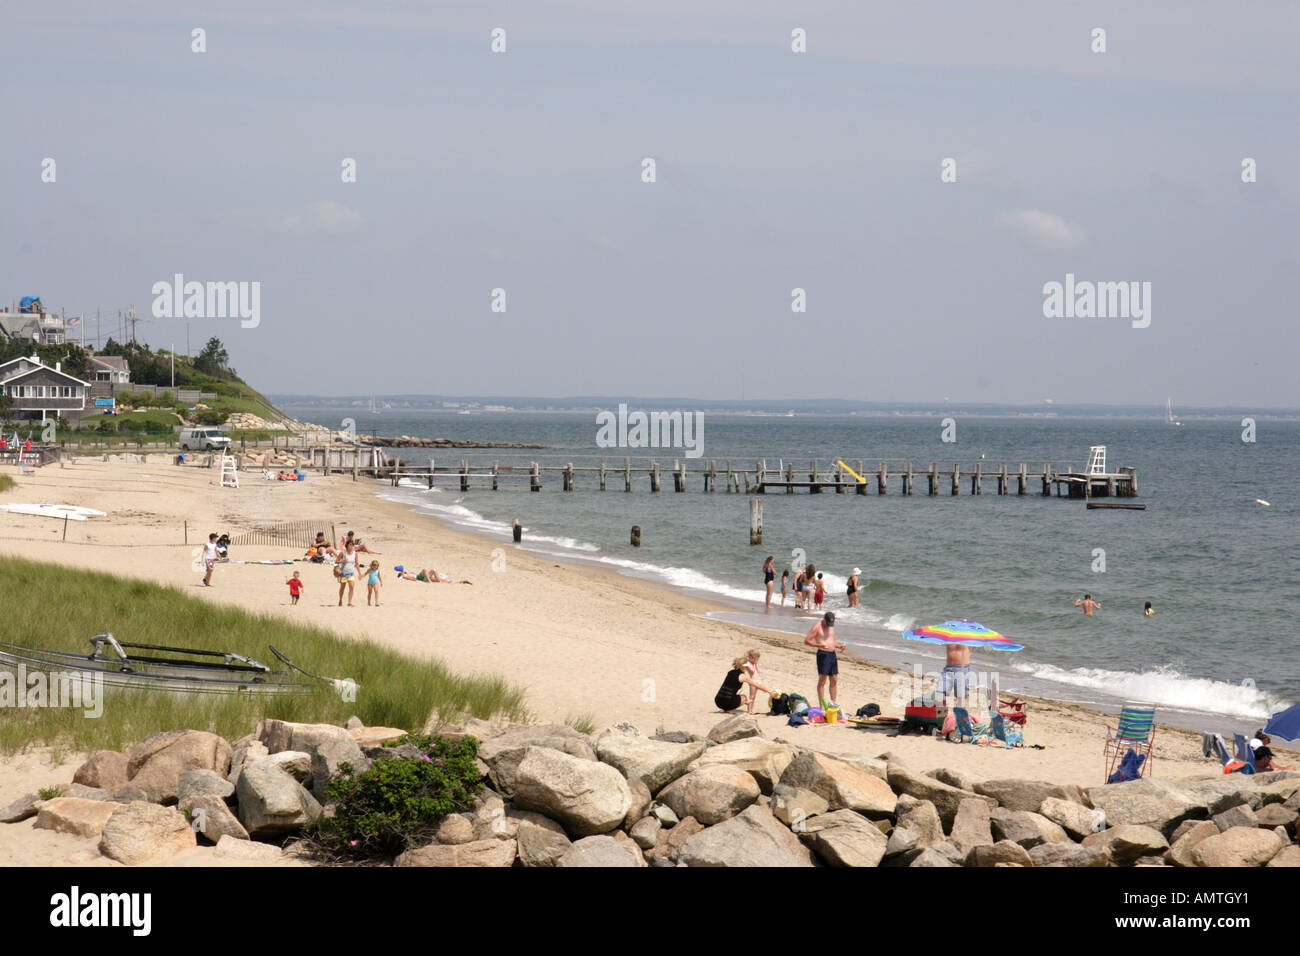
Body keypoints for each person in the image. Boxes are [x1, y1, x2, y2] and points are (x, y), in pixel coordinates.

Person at [804, 612, 845, 708]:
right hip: (823, 654)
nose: (829, 625)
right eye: (828, 623)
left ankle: (833, 704)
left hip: (832, 654)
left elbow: (831, 640)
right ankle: (821, 705)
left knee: (834, 679)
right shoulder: (817, 627)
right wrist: (818, 645)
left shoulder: (831, 627)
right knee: (823, 680)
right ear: (824, 619)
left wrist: (839, 646)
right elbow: (807, 640)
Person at [941, 642, 971, 706]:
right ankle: (940, 711)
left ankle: (960, 713)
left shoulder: (969, 636)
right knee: (941, 691)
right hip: (948, 668)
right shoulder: (950, 635)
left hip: (962, 668)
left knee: (960, 696)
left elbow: (980, 639)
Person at [394, 565, 472, 585]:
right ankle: (430, 582)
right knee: (424, 570)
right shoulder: (404, 576)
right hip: (420, 578)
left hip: (424, 577)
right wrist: (401, 571)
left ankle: (460, 582)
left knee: (435, 572)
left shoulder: (408, 573)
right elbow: (405, 576)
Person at [337, 540, 358, 606]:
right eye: (350, 544)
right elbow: (336, 561)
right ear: (347, 545)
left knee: (351, 587)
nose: (351, 546)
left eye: (352, 545)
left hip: (351, 573)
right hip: (343, 573)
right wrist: (343, 561)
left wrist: (360, 573)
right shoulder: (343, 553)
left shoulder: (355, 553)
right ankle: (340, 600)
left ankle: (349, 602)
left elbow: (357, 563)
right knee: (342, 588)